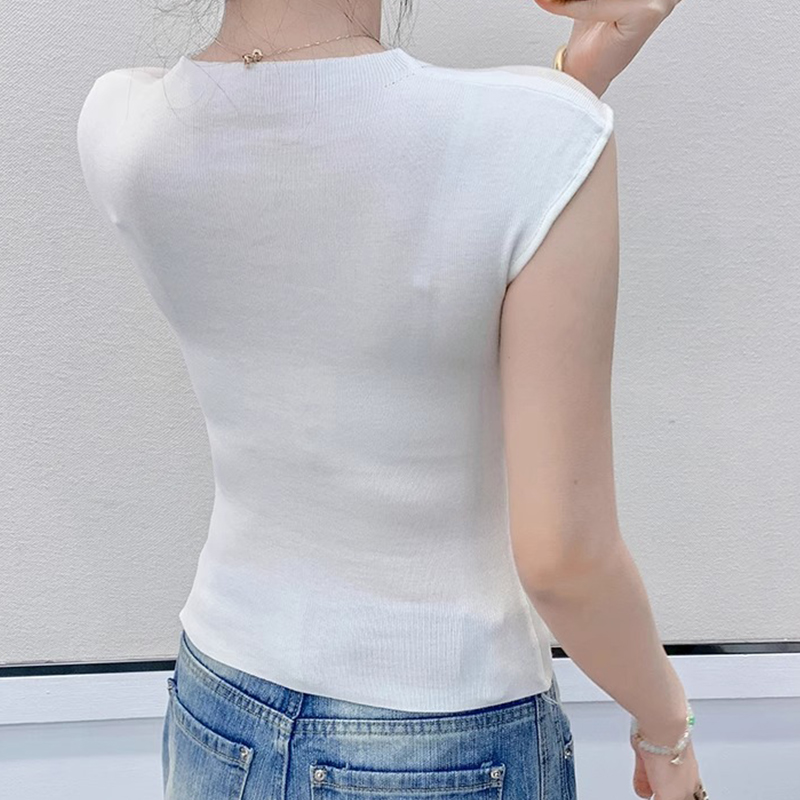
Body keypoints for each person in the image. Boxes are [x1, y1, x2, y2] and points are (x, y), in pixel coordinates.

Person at [76, 0, 705, 798]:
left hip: (219, 704)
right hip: (446, 737)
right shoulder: (541, 136)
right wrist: (666, 729)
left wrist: (564, 95)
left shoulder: (118, 123)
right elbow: (565, 559)